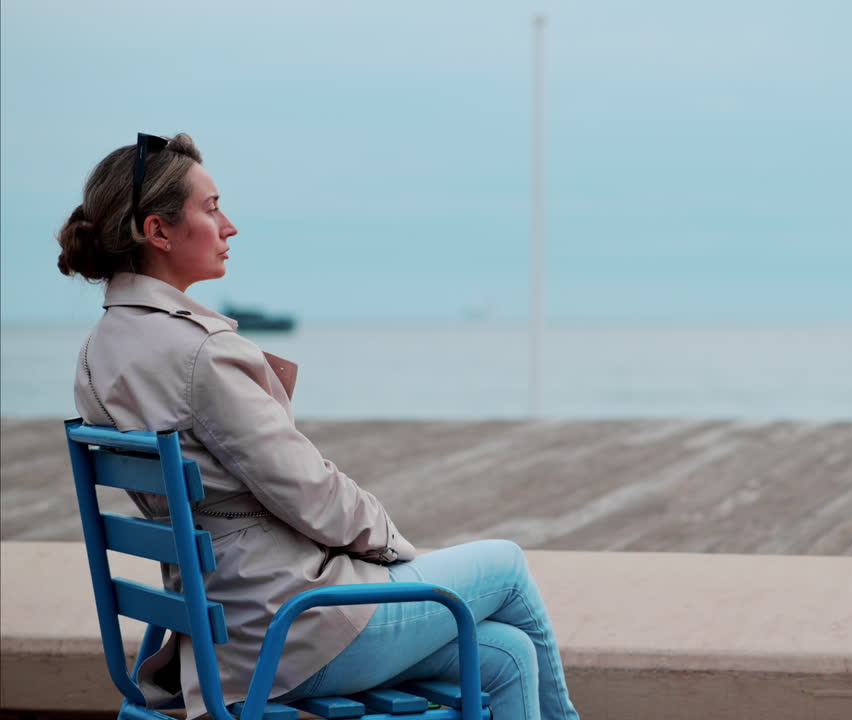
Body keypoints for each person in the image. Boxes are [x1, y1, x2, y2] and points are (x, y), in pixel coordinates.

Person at [57, 132, 580, 720]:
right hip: (289, 628)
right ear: (158, 231)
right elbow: (310, 492)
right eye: (210, 208)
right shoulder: (199, 354)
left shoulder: (95, 354)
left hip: (223, 631)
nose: (229, 226)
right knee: (506, 563)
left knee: (506, 656)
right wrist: (392, 549)